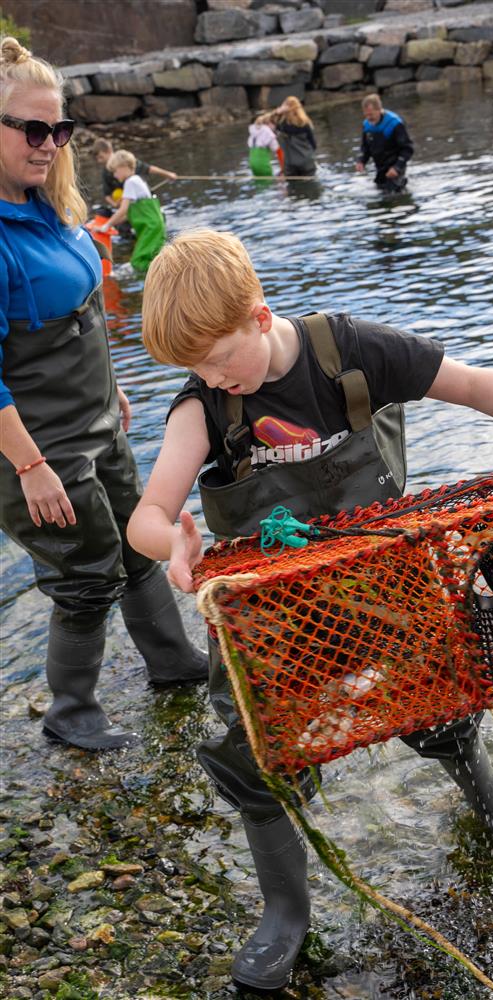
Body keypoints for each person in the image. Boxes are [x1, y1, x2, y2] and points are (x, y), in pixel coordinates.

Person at [127, 228, 493, 992]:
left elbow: (470, 384)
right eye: (194, 369)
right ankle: (285, 913)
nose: (212, 378)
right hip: (274, 611)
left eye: (219, 359)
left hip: (386, 584)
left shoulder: (349, 351)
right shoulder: (203, 407)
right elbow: (148, 513)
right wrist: (174, 543)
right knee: (256, 751)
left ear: (260, 318)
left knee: (441, 696)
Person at [0, 37, 208, 753]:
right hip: (34, 450)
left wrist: (114, 389)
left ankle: (175, 664)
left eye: (58, 130)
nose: (48, 144)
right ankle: (72, 713)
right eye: (31, 129)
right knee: (85, 576)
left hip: (97, 422)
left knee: (137, 541)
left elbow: (86, 317)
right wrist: (29, 466)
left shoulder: (51, 208)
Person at [96, 149, 167, 274]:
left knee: (138, 261)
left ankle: (149, 284)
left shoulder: (130, 182)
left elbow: (123, 210)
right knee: (155, 257)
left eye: (115, 171)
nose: (114, 175)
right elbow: (129, 214)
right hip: (155, 225)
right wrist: (111, 224)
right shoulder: (137, 180)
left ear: (123, 167)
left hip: (150, 228)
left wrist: (106, 226)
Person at [91, 137, 176, 216]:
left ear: (109, 150)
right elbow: (107, 194)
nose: (99, 161)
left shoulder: (124, 160)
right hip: (127, 205)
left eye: (101, 157)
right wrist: (115, 204)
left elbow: (149, 168)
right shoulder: (105, 172)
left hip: (142, 203)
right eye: (97, 159)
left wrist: (168, 174)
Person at [355, 92, 414, 193]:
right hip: (380, 166)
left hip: (395, 165)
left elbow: (407, 149)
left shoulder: (395, 123)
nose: (369, 118)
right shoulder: (367, 125)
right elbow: (365, 147)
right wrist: (361, 161)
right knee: (380, 191)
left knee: (393, 194)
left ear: (379, 110)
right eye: (366, 114)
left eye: (371, 114)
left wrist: (397, 167)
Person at [274, 96, 317, 177]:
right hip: (306, 162)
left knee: (292, 187)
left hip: (290, 164)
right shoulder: (305, 124)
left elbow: (267, 122)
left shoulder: (282, 125)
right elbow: (313, 145)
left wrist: (277, 113)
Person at [247, 111, 280, 178]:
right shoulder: (268, 133)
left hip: (253, 165)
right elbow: (278, 151)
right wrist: (283, 170)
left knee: (259, 183)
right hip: (263, 166)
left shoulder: (252, 134)